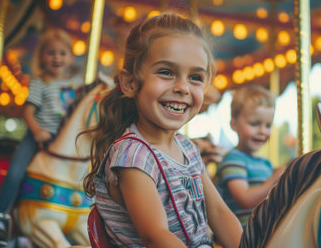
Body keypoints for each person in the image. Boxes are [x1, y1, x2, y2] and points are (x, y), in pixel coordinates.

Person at [81, 13, 242, 247]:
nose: (182, 87)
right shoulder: (133, 155)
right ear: (130, 83)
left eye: (195, 77)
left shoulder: (187, 148)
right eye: (166, 72)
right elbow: (155, 235)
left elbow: (218, 213)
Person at [0, 29, 82, 245]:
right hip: (37, 135)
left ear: (70, 57)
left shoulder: (74, 86)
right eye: (51, 53)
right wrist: (37, 131)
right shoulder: (40, 83)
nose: (57, 58)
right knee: (16, 172)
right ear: (42, 57)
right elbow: (27, 112)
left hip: (60, 140)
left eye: (62, 53)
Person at [216, 85, 285, 227]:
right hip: (244, 234)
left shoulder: (265, 163)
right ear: (234, 124)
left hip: (266, 230)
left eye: (268, 125)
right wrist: (274, 179)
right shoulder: (233, 160)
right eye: (254, 124)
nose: (262, 131)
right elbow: (245, 199)